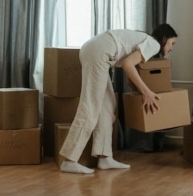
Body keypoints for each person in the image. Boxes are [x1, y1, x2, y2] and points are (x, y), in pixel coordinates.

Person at [58, 24, 178, 174]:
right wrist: (147, 92)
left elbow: (129, 73)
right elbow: (128, 65)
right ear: (164, 38)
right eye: (172, 43)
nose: (171, 48)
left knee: (107, 107)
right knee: (91, 106)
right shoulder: (153, 44)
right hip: (99, 53)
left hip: (95, 50)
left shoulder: (143, 40)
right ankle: (69, 160)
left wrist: (140, 92)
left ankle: (104, 157)